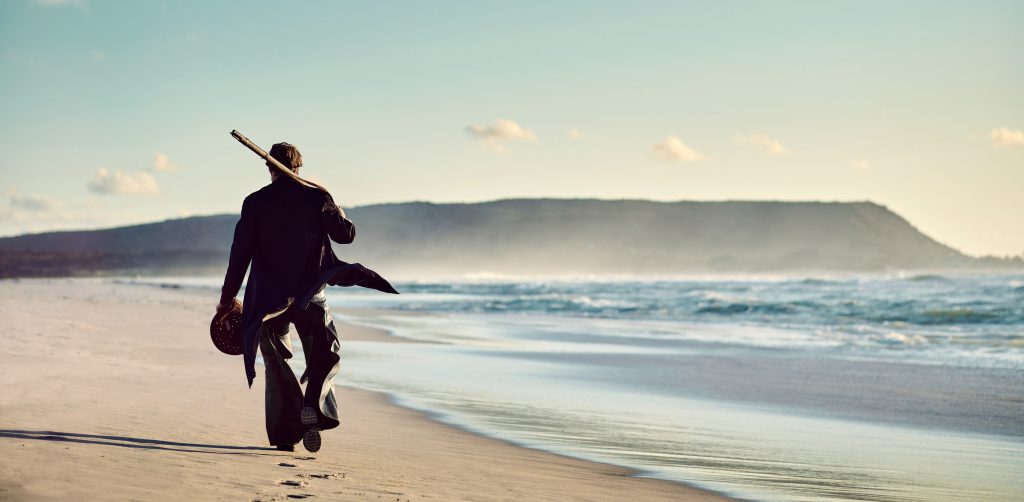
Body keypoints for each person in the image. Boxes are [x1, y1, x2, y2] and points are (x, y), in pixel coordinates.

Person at [216, 142, 355, 453]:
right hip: (310, 296)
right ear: (298, 167)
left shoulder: (254, 203)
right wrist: (338, 210)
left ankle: (284, 433)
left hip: (267, 300)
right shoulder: (317, 197)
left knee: (276, 361)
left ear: (268, 167)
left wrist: (227, 298)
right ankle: (312, 406)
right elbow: (345, 235)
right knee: (325, 354)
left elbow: (239, 256)